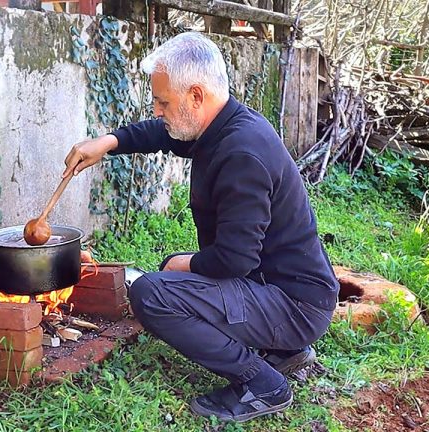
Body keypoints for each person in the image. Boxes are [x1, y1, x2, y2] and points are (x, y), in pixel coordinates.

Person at [62, 32, 339, 423]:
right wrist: (107, 142)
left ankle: (262, 383)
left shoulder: (242, 153)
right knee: (169, 277)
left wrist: (186, 264)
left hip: (295, 306)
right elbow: (162, 133)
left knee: (153, 293)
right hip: (282, 290)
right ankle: (284, 351)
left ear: (196, 96)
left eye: (163, 102)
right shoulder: (222, 125)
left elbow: (236, 259)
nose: (157, 111)